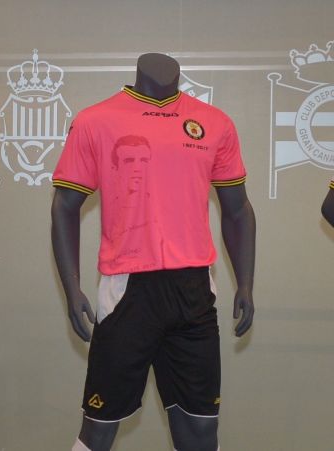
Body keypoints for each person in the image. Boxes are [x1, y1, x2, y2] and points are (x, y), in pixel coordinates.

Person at [51, 53, 255, 451]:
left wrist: (245, 283)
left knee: (200, 432)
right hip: (127, 290)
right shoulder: (96, 120)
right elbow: (64, 206)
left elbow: (238, 210)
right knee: (98, 430)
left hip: (195, 293)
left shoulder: (214, 122)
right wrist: (72, 288)